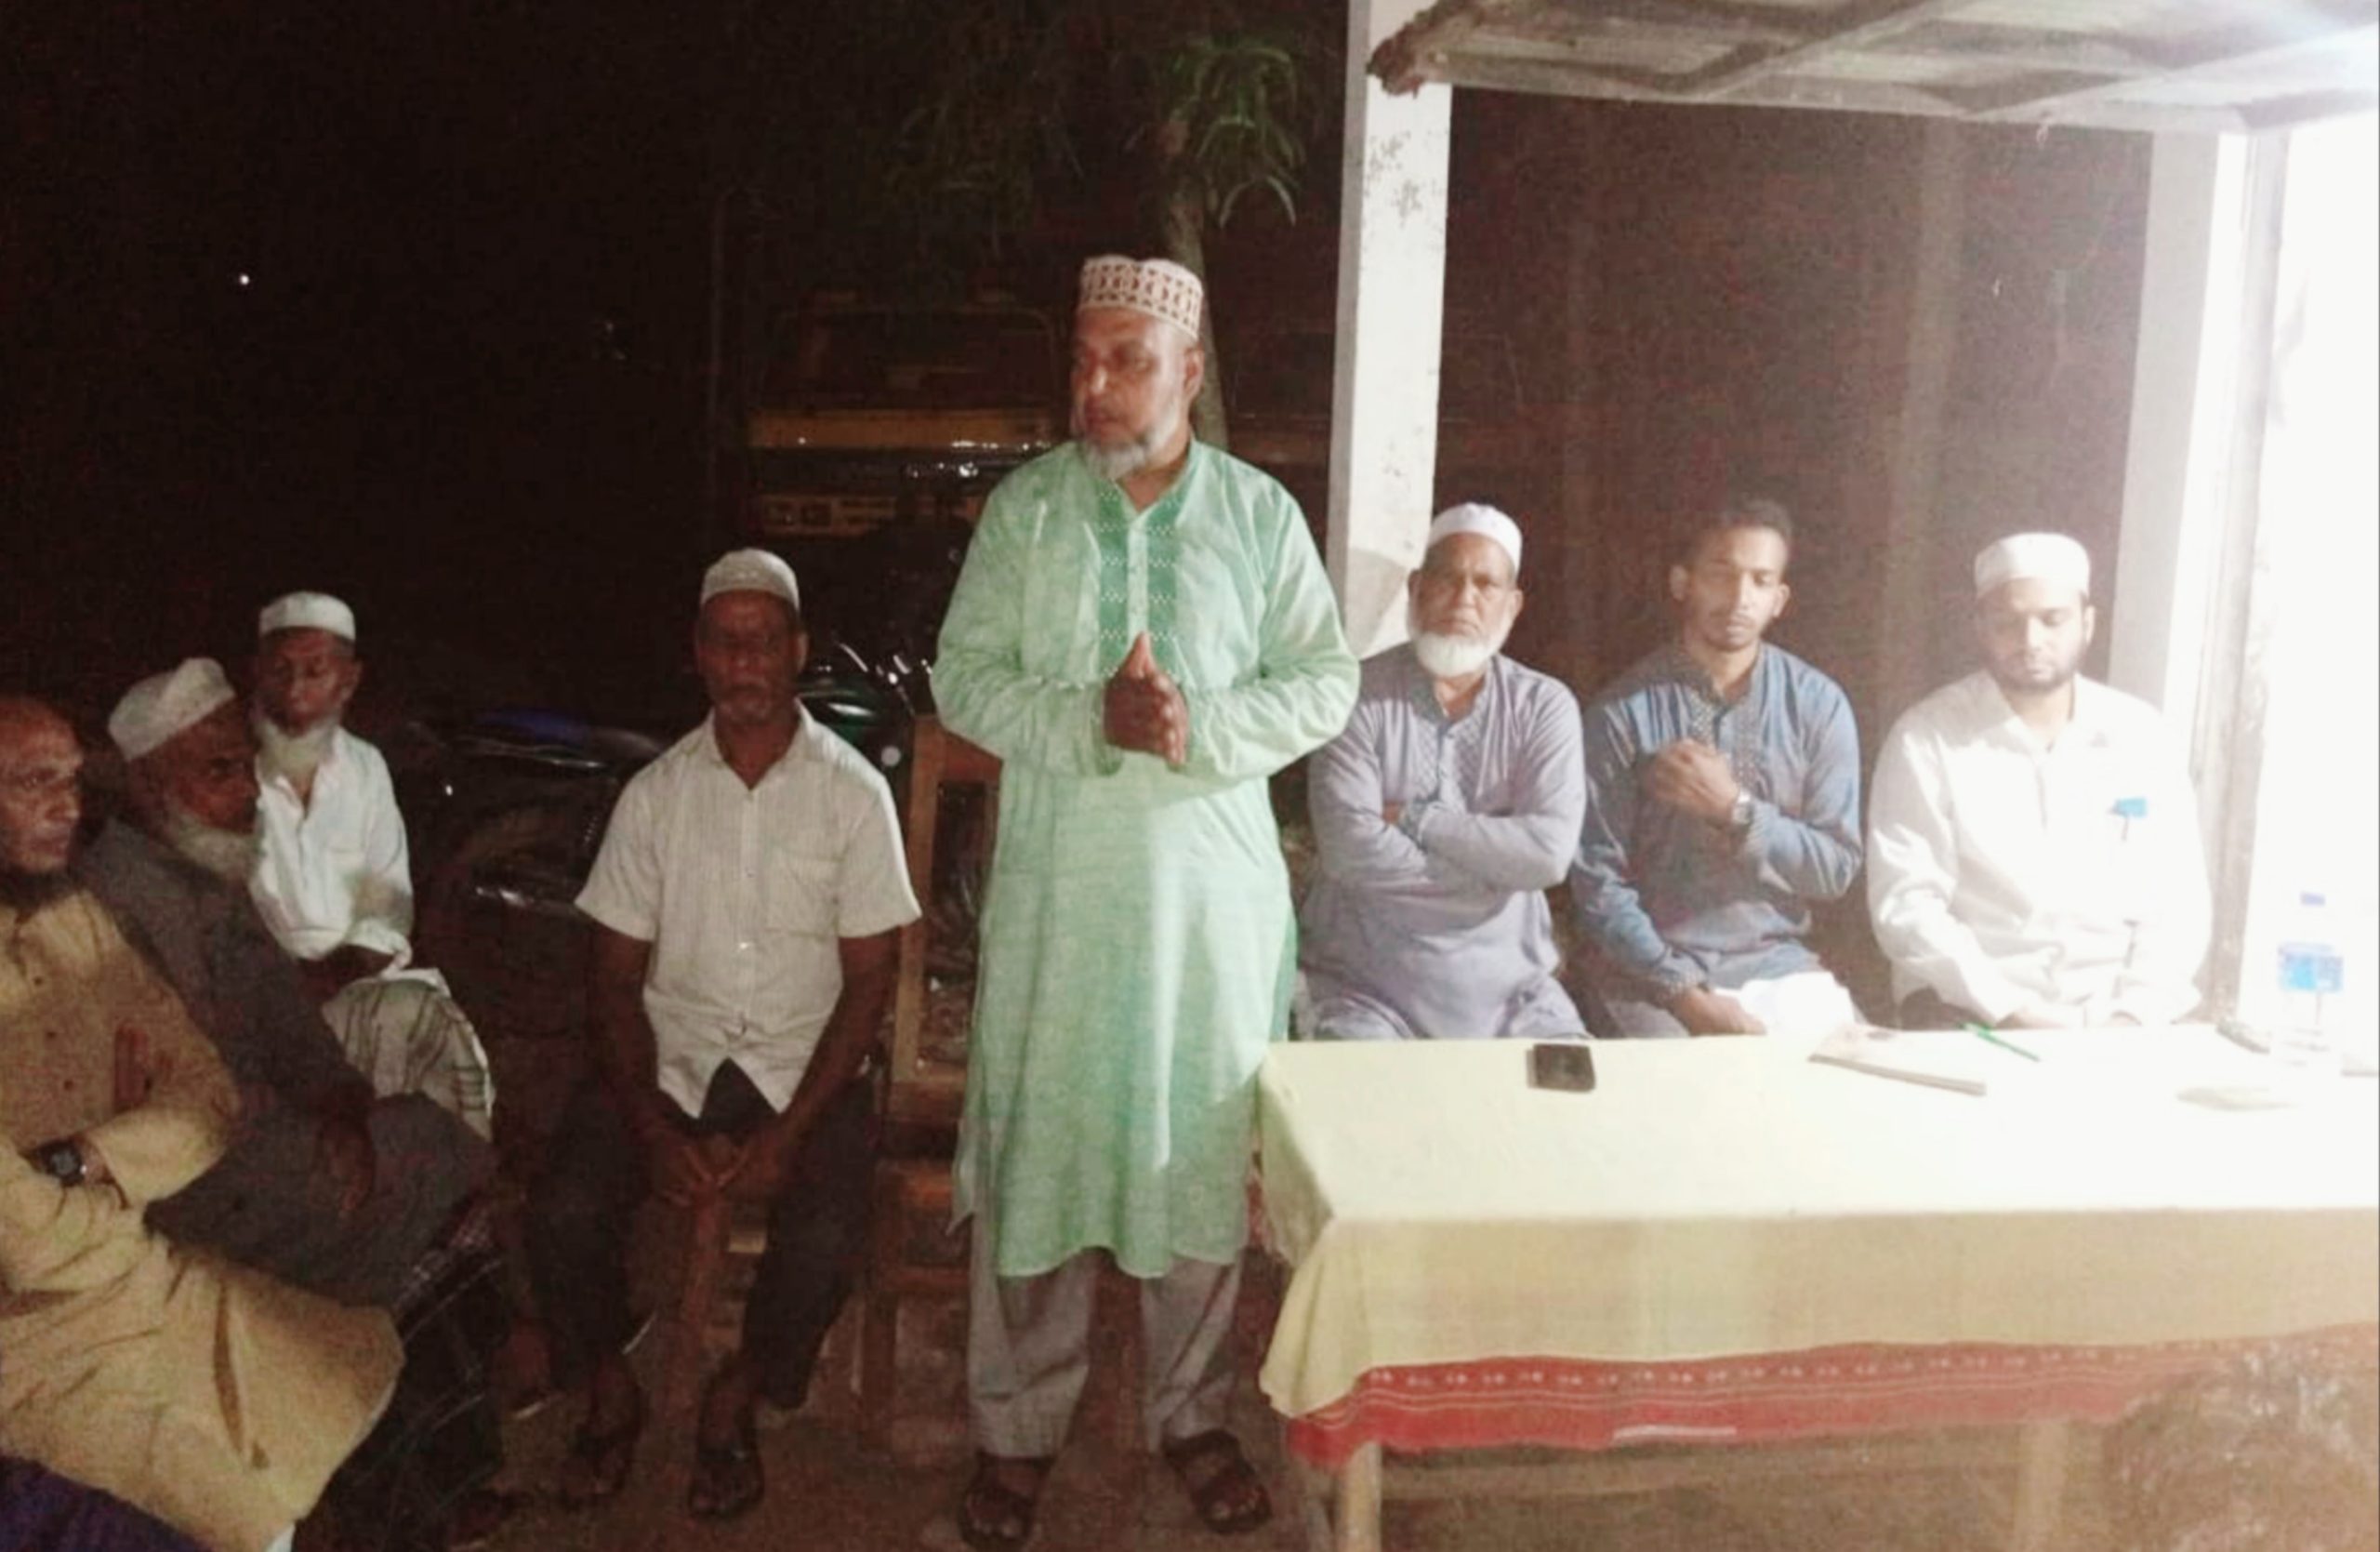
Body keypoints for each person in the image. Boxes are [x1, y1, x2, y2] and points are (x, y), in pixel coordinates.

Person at [932, 254, 1358, 1548]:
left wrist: (1198, 726)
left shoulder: (1256, 515)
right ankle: (1016, 1427)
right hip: (1060, 901)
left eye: (1125, 360)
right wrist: (1088, 719)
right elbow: (963, 679)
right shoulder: (1027, 513)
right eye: (1082, 359)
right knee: (1043, 1151)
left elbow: (1325, 680)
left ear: (1188, 371)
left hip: (1208, 912)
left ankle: (1191, 1415)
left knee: (1192, 1156)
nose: (1095, 385)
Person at [83, 659, 513, 1552]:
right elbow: (187, 1104)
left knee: (421, 1152)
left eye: (245, 766)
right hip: (194, 1177)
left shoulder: (203, 869)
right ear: (148, 786)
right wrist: (332, 1130)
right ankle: (434, 1461)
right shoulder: (119, 903)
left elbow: (285, 1023)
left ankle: (426, 1480)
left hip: (262, 1140)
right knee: (436, 1164)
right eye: (218, 771)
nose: (247, 791)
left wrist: (342, 1103)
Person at [524, 549, 919, 1521]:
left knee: (827, 1233)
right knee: (562, 1209)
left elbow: (870, 982)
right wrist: (653, 1130)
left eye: (764, 640)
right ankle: (609, 1386)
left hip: (803, 1065)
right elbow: (613, 981)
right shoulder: (655, 794)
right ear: (698, 654)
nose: (745, 662)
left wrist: (788, 1135)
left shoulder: (853, 793)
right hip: (674, 1058)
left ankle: (740, 1390)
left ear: (798, 650)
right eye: (725, 641)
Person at [0, 694, 403, 1552]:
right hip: (31, 1347)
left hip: (139, 1273)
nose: (66, 805)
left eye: (71, 780)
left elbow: (207, 1095)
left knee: (350, 1369)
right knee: (247, 1521)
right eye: (34, 783)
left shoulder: (72, 915)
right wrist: (132, 1156)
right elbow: (26, 1248)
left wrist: (83, 1156)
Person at [1868, 533, 2210, 1028]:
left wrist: (2132, 1015)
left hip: (2118, 1023)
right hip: (1971, 1014)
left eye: (2052, 620)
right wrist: (2011, 1010)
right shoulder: (1927, 738)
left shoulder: (2141, 736)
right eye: (2008, 622)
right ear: (1980, 628)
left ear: (2087, 624)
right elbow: (1907, 905)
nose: (2030, 641)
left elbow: (2178, 904)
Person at [1570, 497, 1864, 1036]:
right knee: (1685, 1085)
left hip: (1780, 967)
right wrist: (1684, 996)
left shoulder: (1818, 705)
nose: (1739, 597)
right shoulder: (1623, 713)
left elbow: (1836, 868)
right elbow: (1597, 883)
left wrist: (1736, 810)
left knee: (1850, 1077)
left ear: (1779, 599)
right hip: (1650, 976)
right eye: (1721, 574)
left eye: (1760, 580)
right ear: (1682, 583)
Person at [1299, 502, 1585, 1041]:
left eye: (1485, 584)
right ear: (1416, 588)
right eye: (1447, 578)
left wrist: (1416, 819)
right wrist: (1498, 870)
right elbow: (1349, 849)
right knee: (1362, 1090)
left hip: (1513, 995)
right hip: (1367, 991)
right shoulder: (1355, 694)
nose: (1463, 598)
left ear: (1513, 604)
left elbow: (1547, 855)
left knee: (1568, 1090)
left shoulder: (1544, 707)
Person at [248, 591, 493, 1137]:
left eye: (315, 671)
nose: (295, 688)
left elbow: (387, 908)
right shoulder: (231, 772)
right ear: (257, 673)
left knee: (423, 1027)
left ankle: (452, 1171)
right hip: (257, 992)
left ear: (349, 680)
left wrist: (334, 974)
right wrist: (286, 982)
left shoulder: (366, 768)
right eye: (281, 670)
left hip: (351, 981)